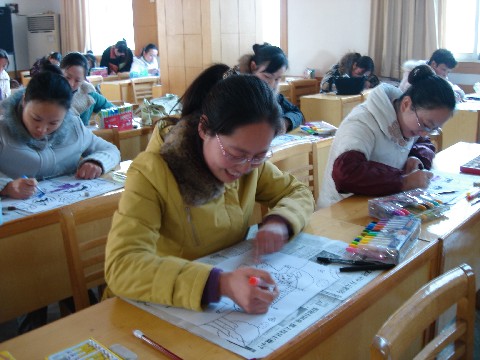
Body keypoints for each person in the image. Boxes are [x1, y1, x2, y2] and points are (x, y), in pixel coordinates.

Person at [104, 64, 315, 314]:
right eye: (236, 154)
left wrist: (280, 222)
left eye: (260, 155)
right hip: (153, 305)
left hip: (217, 300)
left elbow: (296, 192)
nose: (246, 167)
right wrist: (220, 283)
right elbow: (123, 266)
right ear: (204, 129)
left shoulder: (249, 165)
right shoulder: (153, 172)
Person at [317, 65, 456, 208]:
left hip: (380, 206)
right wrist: (403, 181)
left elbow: (424, 144)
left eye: (433, 129)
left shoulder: (412, 124)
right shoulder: (362, 122)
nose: (425, 133)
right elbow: (346, 173)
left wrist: (416, 158)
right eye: (426, 124)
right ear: (406, 104)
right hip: (339, 213)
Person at [0, 70, 121, 200]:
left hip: (69, 206)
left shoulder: (74, 126)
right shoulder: (3, 131)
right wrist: (7, 187)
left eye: (53, 122)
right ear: (24, 101)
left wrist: (96, 162)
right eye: (36, 119)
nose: (42, 129)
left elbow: (111, 150)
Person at [234, 43, 304, 132]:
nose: (272, 85)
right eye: (267, 77)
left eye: (277, 79)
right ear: (253, 67)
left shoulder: (273, 93)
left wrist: (285, 122)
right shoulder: (236, 91)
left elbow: (297, 113)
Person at [61, 52, 115, 126]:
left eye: (77, 80)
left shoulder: (88, 93)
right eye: (67, 77)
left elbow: (112, 110)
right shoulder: (48, 94)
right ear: (60, 73)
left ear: (84, 80)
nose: (71, 84)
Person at [399, 48, 465, 102]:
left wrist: (457, 94)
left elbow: (454, 90)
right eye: (444, 70)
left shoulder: (439, 75)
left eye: (448, 72)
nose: (445, 74)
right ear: (434, 64)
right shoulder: (417, 72)